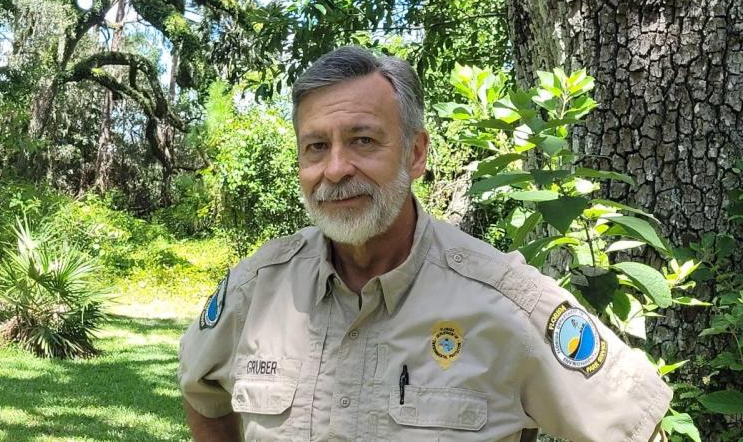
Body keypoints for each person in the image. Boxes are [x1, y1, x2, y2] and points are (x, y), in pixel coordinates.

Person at [178, 46, 671, 441]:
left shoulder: (507, 303)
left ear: (415, 154)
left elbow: (633, 424)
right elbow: (202, 394)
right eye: (316, 147)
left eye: (364, 141)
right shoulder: (256, 289)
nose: (335, 169)